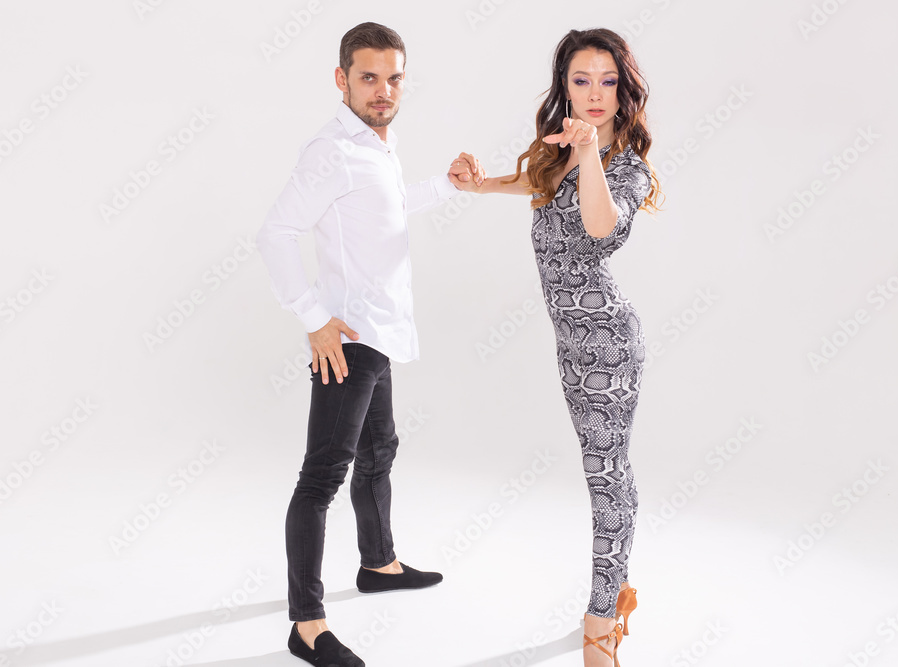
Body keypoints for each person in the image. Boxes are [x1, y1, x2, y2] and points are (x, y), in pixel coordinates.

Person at [256, 22, 486, 667]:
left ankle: (378, 564)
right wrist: (313, 317)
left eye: (394, 78)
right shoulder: (330, 151)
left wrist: (448, 186)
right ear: (342, 80)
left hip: (379, 333)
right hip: (348, 339)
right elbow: (275, 233)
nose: (384, 90)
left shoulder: (376, 145)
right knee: (322, 476)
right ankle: (307, 627)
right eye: (368, 77)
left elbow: (384, 209)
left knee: (380, 450)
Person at [465, 28, 662, 667]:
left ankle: (601, 622)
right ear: (565, 87)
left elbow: (602, 229)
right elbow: (537, 185)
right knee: (602, 472)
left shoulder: (624, 165)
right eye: (582, 80)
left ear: (623, 90)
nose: (595, 93)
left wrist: (590, 152)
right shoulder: (559, 153)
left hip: (608, 345)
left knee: (607, 477)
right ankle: (617, 588)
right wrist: (478, 185)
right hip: (571, 347)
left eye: (608, 81)